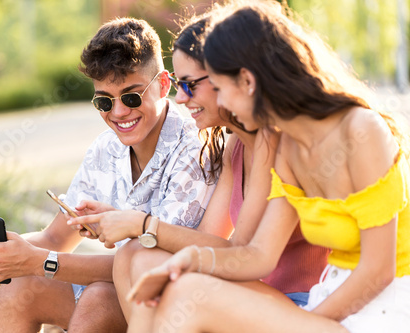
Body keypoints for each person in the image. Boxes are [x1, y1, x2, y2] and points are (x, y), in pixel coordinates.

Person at [128, 1, 410, 332]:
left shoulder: (361, 130)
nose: (221, 103)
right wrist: (189, 260)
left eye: (221, 89)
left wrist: (301, 323)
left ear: (248, 81)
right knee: (176, 287)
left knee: (189, 294)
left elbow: (379, 271)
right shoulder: (289, 147)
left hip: (380, 314)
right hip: (325, 304)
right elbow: (257, 256)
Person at [0, 17, 215, 333]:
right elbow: (54, 238)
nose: (118, 113)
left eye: (131, 97)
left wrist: (38, 261)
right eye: (104, 100)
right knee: (20, 286)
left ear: (162, 84)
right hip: (125, 290)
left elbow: (148, 266)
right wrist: (4, 254)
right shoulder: (105, 149)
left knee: (99, 298)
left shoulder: (193, 149)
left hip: (177, 302)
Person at [68, 14, 327, 332]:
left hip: (302, 301)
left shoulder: (275, 144)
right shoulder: (236, 147)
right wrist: (133, 226)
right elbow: (211, 240)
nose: (180, 98)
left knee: (162, 275)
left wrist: (143, 225)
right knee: (136, 256)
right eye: (179, 84)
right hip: (265, 296)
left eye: (191, 84)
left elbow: (245, 255)